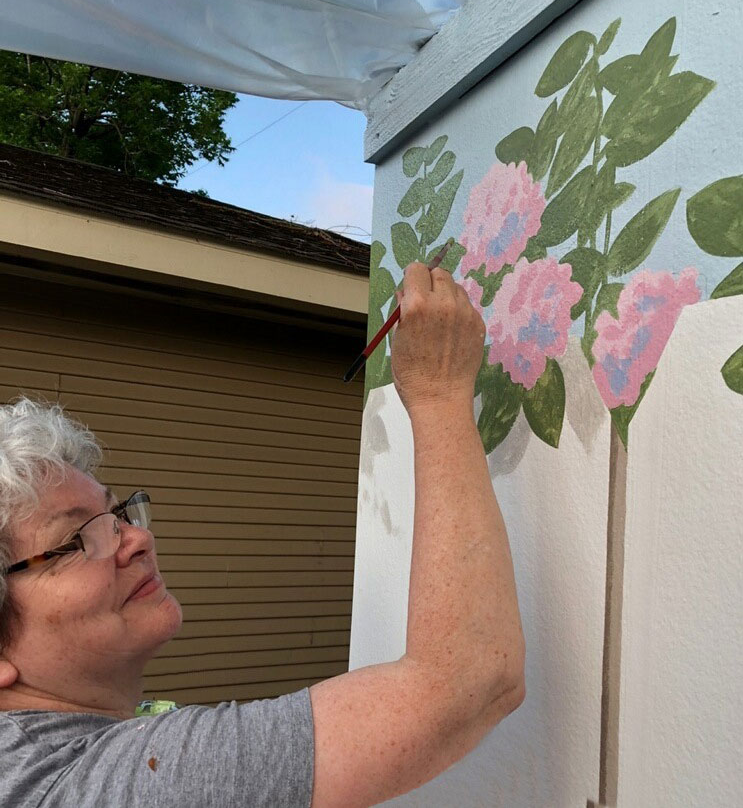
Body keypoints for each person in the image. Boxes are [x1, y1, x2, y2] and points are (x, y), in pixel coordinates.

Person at [0, 263, 525, 807]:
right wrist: (439, 392)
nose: (135, 541)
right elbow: (469, 681)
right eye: (77, 540)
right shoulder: (107, 786)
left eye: (116, 516)